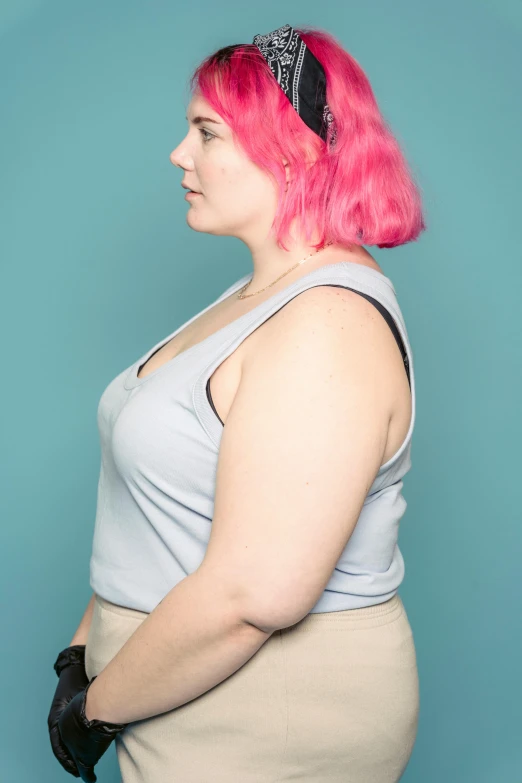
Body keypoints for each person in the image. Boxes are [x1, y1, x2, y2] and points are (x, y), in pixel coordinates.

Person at [48, 23, 425, 783]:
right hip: (177, 694)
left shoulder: (327, 325)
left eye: (206, 131)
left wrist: (96, 708)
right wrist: (83, 650)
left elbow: (256, 595)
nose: (179, 154)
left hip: (267, 718)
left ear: (293, 148)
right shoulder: (258, 298)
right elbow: (154, 506)